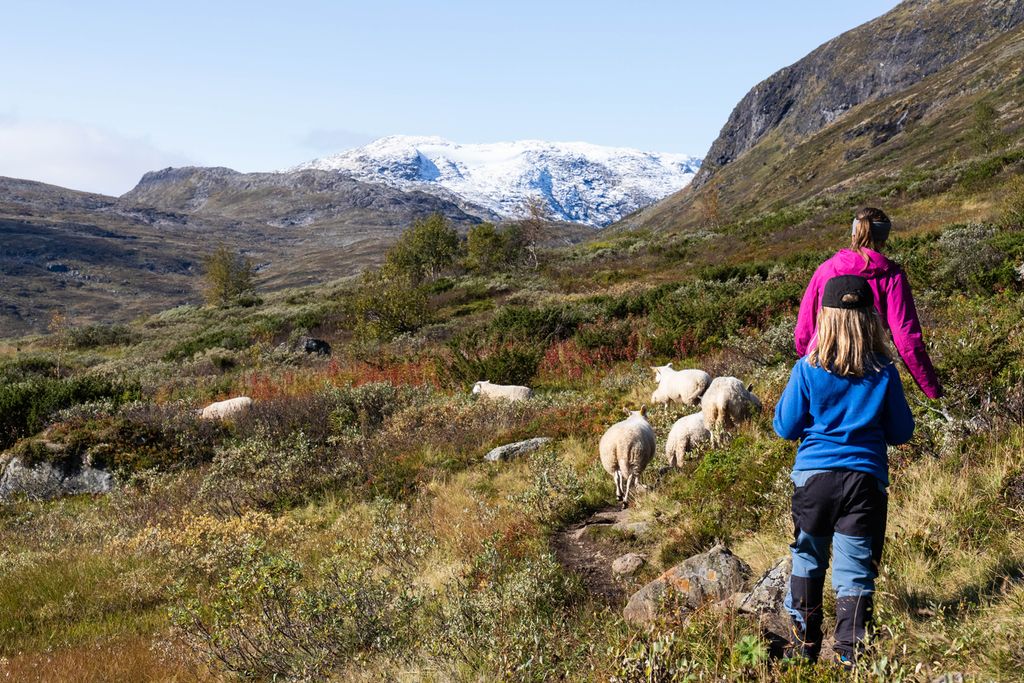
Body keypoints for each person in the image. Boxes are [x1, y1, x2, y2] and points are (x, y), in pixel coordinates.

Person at [774, 274, 915, 666]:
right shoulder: (884, 371)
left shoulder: (806, 369)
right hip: (865, 482)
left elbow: (785, 427)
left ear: (826, 318)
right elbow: (903, 431)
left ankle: (803, 648)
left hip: (814, 481)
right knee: (855, 573)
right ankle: (850, 659)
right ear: (871, 318)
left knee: (807, 558)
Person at [794, 207, 942, 399]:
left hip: (823, 363)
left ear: (854, 233)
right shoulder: (891, 276)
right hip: (870, 371)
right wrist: (931, 389)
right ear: (884, 238)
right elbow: (906, 340)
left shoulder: (825, 269)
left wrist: (808, 370)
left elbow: (803, 331)